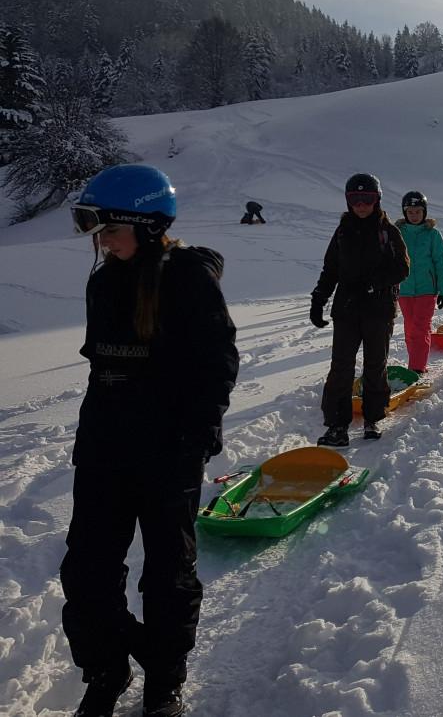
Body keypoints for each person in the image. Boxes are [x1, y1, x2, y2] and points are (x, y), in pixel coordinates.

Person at [63, 163, 238, 717]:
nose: (102, 241)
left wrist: (197, 437)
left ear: (144, 222)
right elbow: (102, 370)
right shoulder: (102, 279)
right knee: (86, 572)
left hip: (169, 452)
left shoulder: (186, 277)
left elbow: (216, 363)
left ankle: (164, 681)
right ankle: (108, 670)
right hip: (105, 452)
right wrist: (93, 441)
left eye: (109, 230)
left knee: (167, 575)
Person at [310, 173, 409, 446]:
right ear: (348, 201)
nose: (362, 205)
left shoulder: (388, 231)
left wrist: (374, 284)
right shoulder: (343, 231)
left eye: (368, 199)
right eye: (356, 199)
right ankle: (337, 425)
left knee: (375, 365)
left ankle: (372, 417)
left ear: (377, 200)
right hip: (347, 308)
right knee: (340, 366)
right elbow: (331, 268)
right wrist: (318, 299)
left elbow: (402, 268)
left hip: (379, 309)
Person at [395, 191, 443, 376]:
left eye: (418, 211)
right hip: (405, 289)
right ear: (405, 213)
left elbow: (441, 263)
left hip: (427, 289)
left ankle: (417, 368)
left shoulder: (433, 234)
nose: (414, 215)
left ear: (424, 212)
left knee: (420, 327)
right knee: (410, 329)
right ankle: (415, 363)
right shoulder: (398, 234)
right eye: (410, 212)